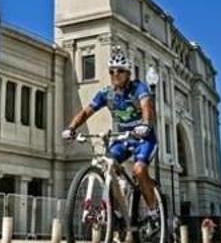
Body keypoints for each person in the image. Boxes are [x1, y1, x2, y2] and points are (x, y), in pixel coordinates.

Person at [62, 46, 160, 221]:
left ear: (128, 73)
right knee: (108, 165)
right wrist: (71, 128)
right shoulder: (106, 94)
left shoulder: (138, 88)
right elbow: (86, 112)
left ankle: (153, 211)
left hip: (144, 139)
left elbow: (147, 107)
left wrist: (145, 124)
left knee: (139, 169)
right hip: (123, 139)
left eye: (120, 71)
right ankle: (117, 210)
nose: (116, 74)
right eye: (112, 71)